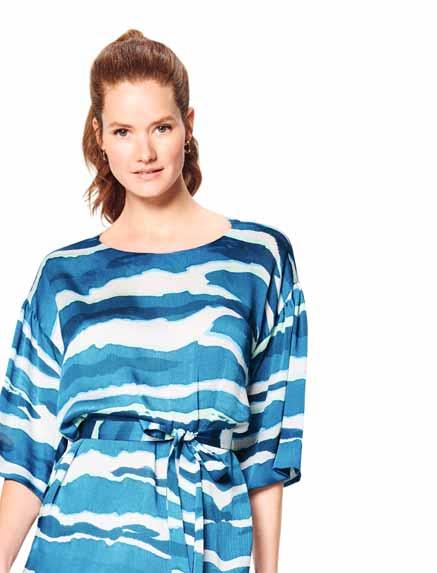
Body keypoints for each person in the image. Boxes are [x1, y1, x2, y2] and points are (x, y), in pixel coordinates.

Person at [0, 29, 308, 573]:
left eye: (161, 127)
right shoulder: (63, 277)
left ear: (188, 125)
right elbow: (28, 454)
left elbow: (266, 453)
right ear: (99, 136)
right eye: (123, 131)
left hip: (206, 545)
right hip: (75, 549)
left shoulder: (258, 261)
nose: (144, 153)